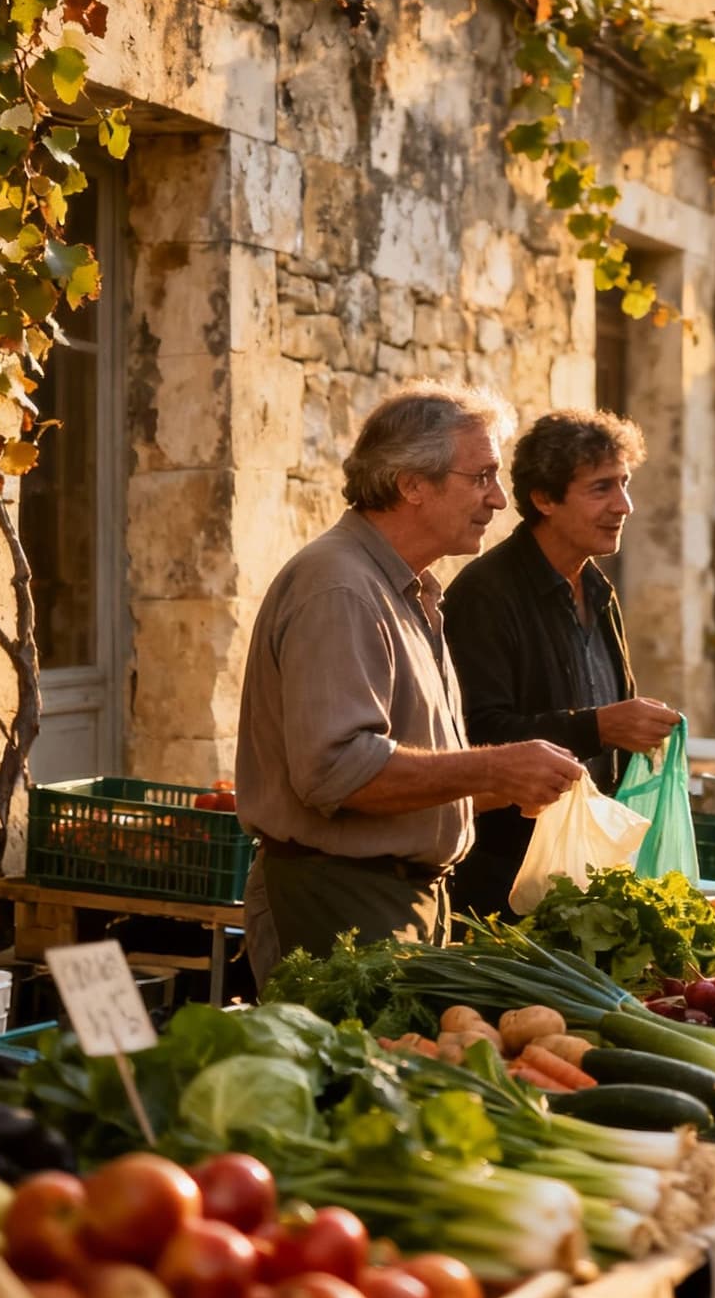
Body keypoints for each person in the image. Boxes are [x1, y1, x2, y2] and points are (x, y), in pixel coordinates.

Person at [236, 383, 587, 986]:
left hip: (399, 898)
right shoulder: (340, 587)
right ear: (412, 485)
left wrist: (511, 783)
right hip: (340, 900)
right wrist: (495, 767)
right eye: (482, 477)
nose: (498, 499)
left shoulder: (405, 588)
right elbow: (336, 771)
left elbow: (408, 773)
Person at [443, 409, 681, 920]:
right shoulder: (486, 595)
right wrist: (599, 727)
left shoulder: (597, 589)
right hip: (504, 882)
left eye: (624, 483)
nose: (624, 506)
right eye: (601, 488)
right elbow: (476, 736)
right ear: (544, 499)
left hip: (580, 872)